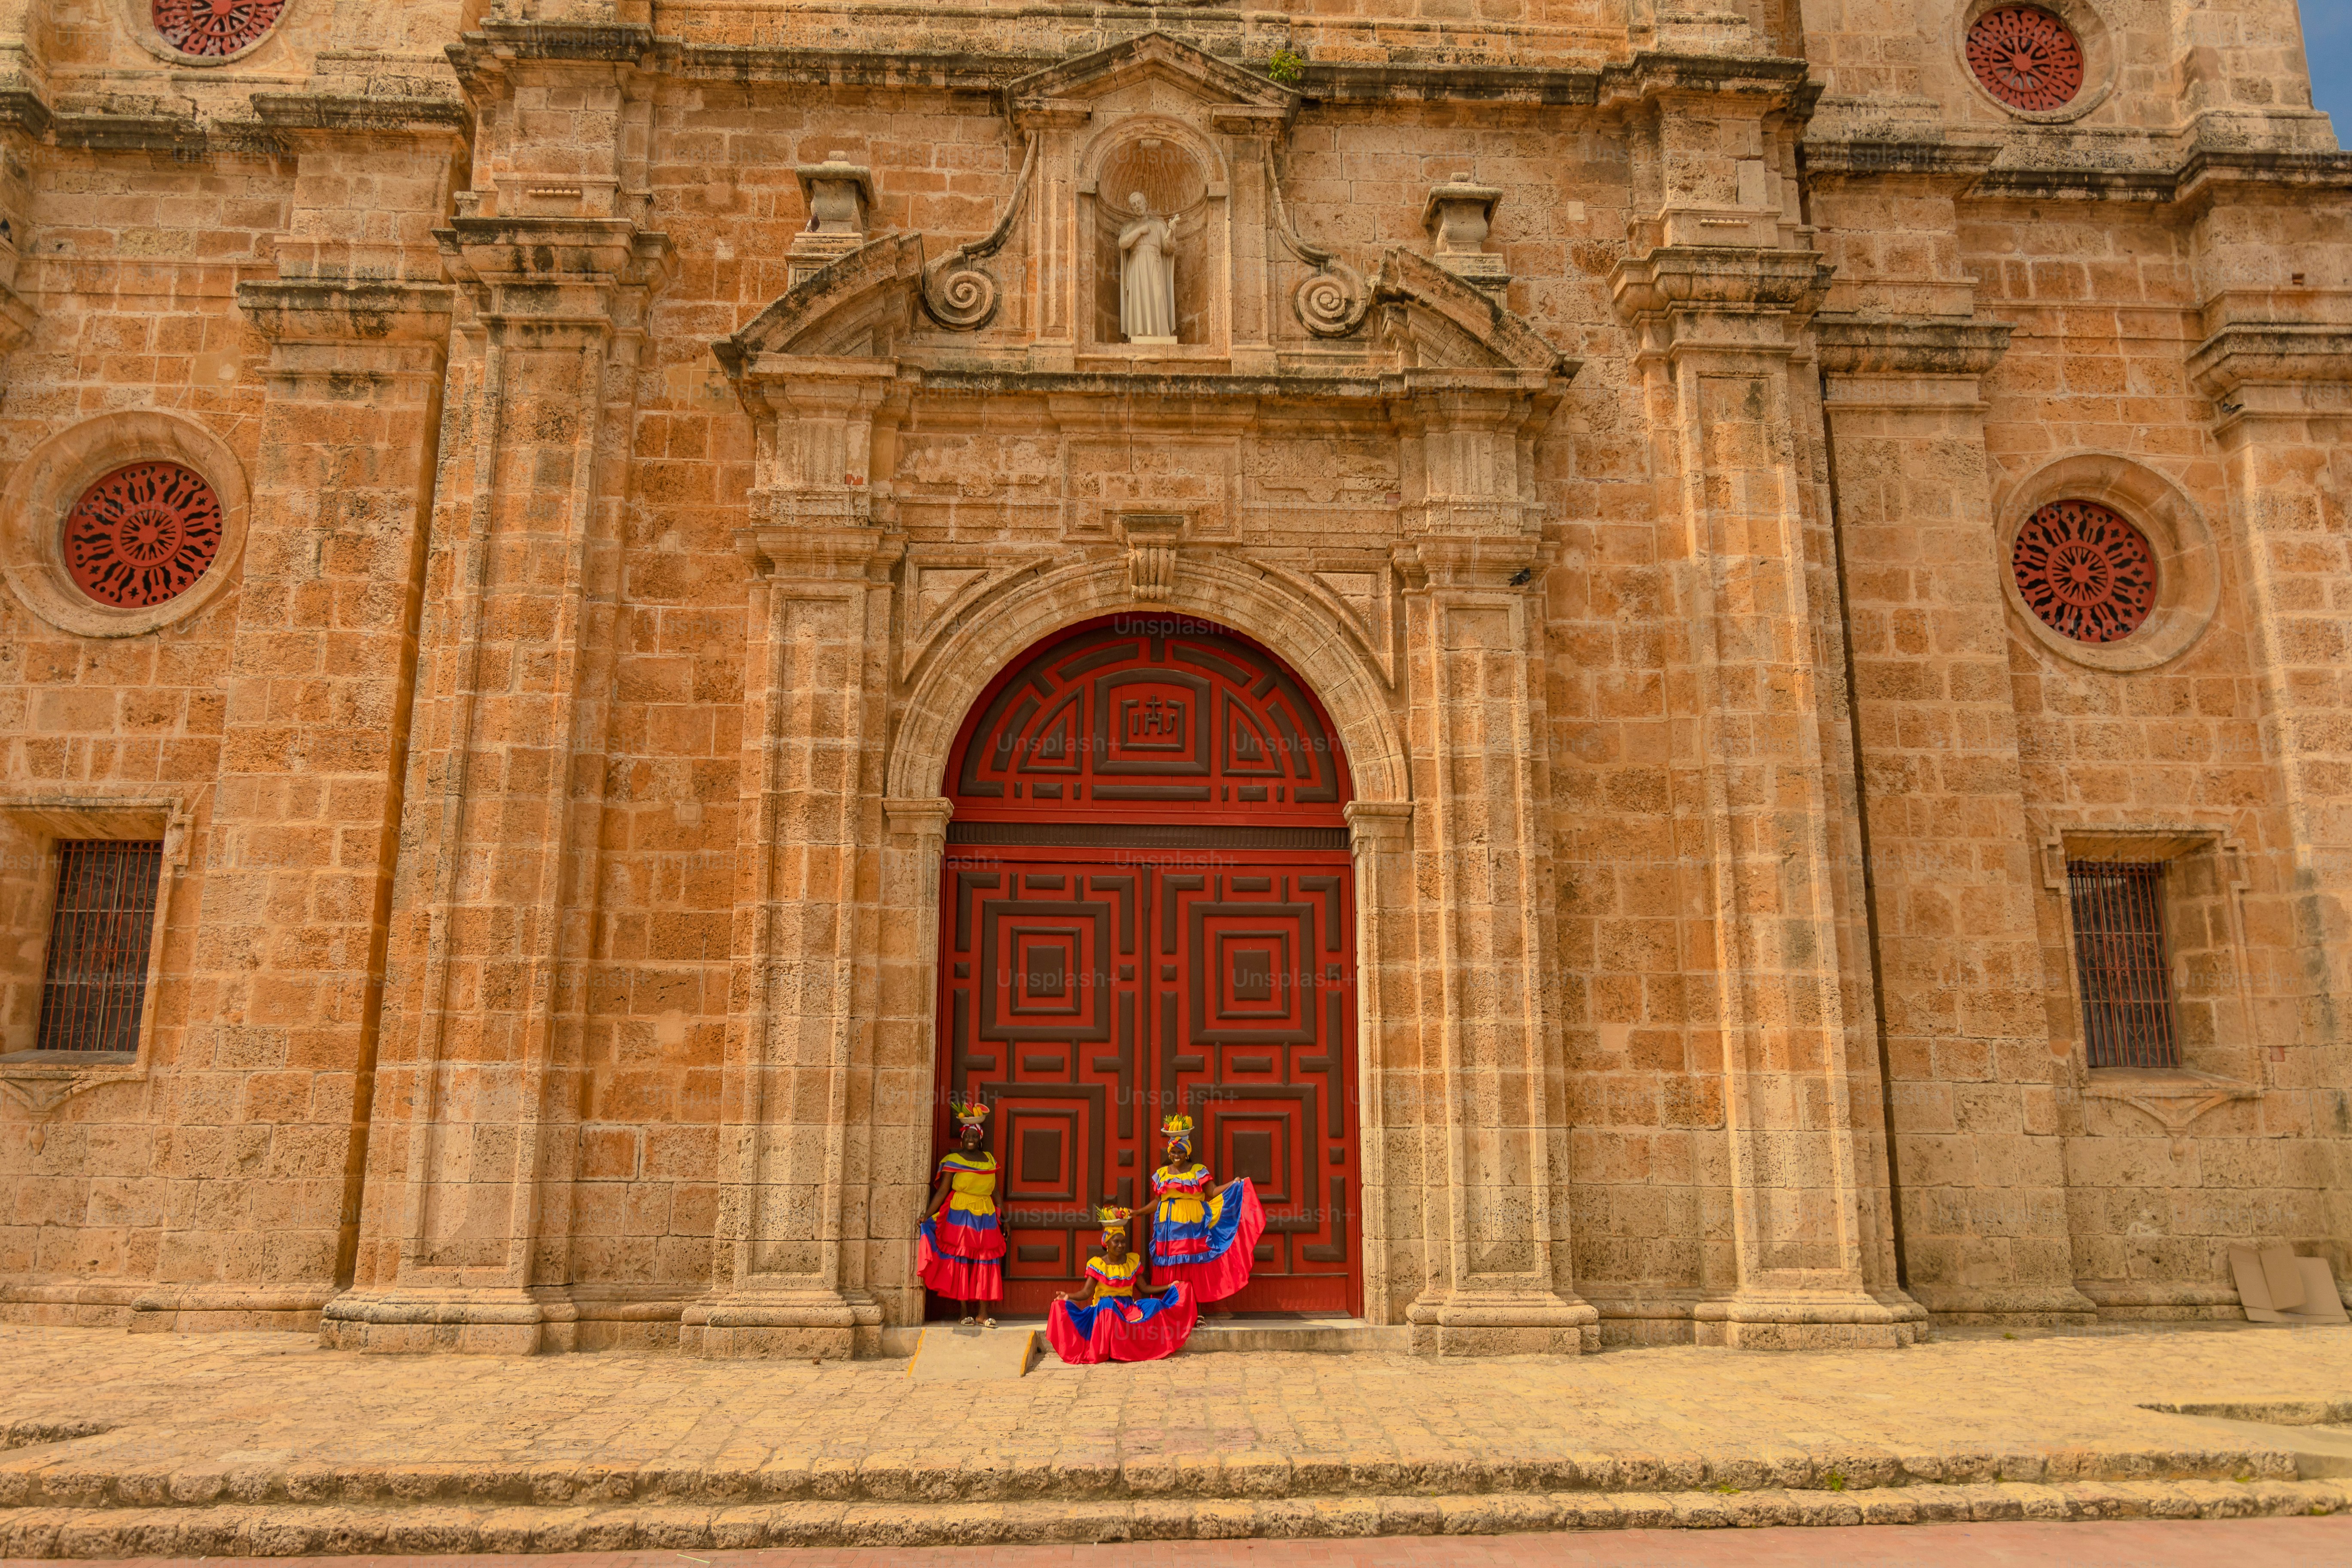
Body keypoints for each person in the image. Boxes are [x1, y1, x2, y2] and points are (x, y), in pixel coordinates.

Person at [1146, 1112, 1266, 1311]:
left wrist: (1232, 1184)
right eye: (1173, 1152)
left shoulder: (1198, 1170)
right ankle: (1170, 1308)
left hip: (1193, 1226)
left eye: (1180, 1152)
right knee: (1170, 1266)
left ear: (1187, 1152)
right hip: (1167, 1228)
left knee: (1193, 1267)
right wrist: (1136, 1213)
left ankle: (1195, 1310)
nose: (1177, 1155)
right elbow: (1157, 1201)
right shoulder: (1162, 1174)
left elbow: (1211, 1192)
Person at [1048, 1206, 1198, 1364]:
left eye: (1123, 1242)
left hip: (1128, 1307)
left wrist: (1169, 1286)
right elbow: (1086, 1293)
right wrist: (1068, 1297)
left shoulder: (1132, 1262)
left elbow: (1145, 1288)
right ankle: (1109, 1349)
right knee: (1107, 1305)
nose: (1121, 1245)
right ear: (1107, 1243)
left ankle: (1145, 1349)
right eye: (1116, 1242)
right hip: (1105, 1311)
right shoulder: (1098, 1264)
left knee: (1154, 1304)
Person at [917, 1094, 1004, 1325]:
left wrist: (1003, 1214)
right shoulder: (953, 1160)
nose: (972, 1139)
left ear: (981, 1138)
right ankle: (963, 1311)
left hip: (986, 1214)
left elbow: (995, 1191)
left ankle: (983, 1313)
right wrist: (926, 1215)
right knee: (962, 1260)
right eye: (968, 1136)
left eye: (976, 1136)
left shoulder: (989, 1160)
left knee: (987, 1259)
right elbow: (943, 1191)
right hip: (960, 1214)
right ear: (963, 1137)